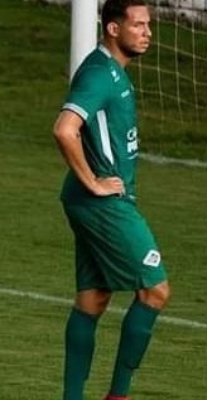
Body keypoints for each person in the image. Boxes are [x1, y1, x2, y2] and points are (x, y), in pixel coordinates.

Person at [52, 1, 171, 400]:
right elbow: (64, 129)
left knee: (93, 298)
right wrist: (95, 182)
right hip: (102, 204)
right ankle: (118, 396)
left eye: (148, 25)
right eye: (138, 25)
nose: (147, 33)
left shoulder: (113, 71)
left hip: (90, 201)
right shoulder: (100, 74)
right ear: (113, 29)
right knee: (155, 290)